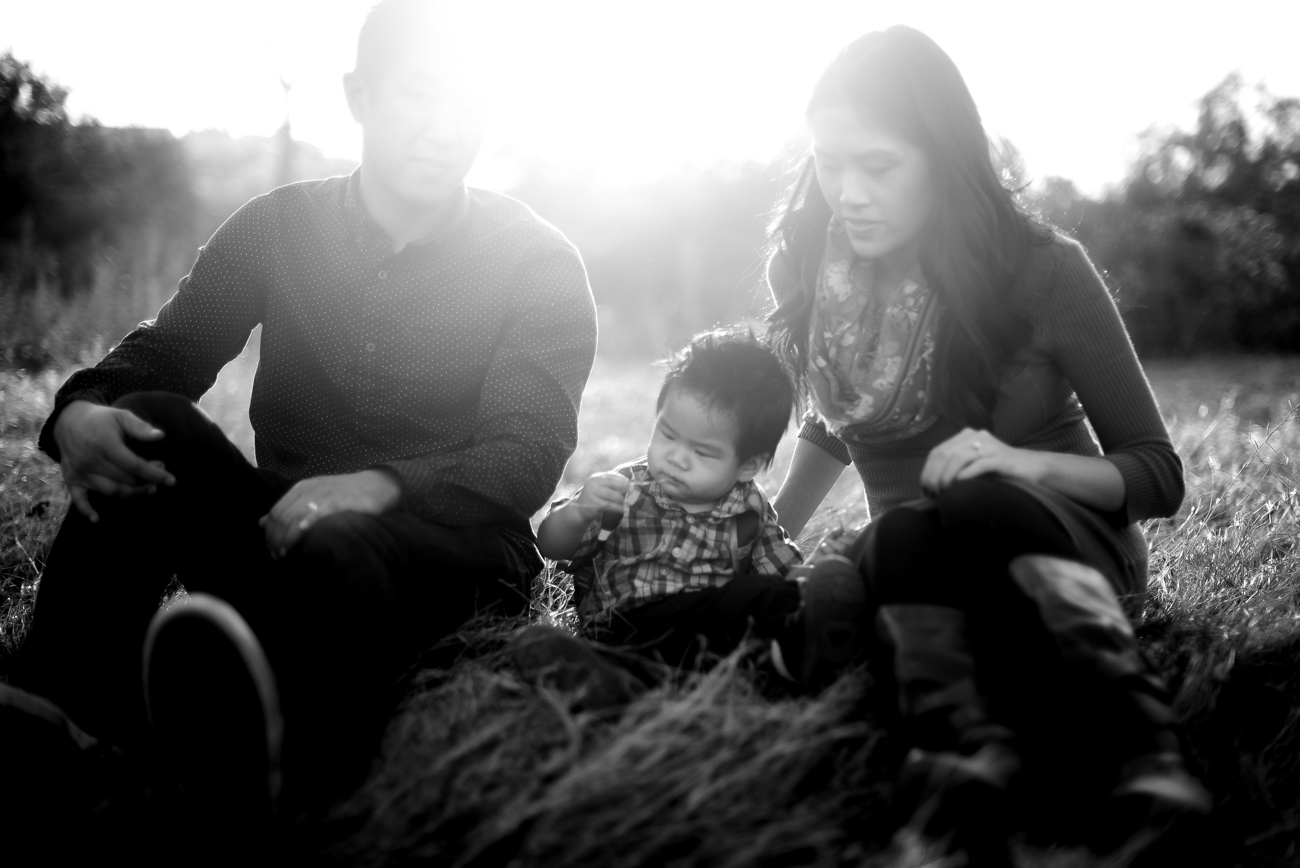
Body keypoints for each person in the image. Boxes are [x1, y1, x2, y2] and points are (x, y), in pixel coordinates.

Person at [13, 0, 597, 825]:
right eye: (419, 95)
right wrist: (78, 409)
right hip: (285, 535)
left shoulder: (538, 262)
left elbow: (526, 455)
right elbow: (170, 352)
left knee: (342, 545)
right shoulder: (277, 227)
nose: (444, 127)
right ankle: (61, 707)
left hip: (454, 562)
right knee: (148, 420)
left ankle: (276, 765)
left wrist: (378, 486)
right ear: (359, 96)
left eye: (468, 104)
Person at [763, 25, 1211, 865]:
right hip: (918, 573)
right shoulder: (820, 272)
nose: (848, 192)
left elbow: (1159, 474)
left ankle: (1146, 753)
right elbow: (839, 415)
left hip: (1049, 543)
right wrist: (770, 532)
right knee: (894, 531)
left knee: (971, 495)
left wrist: (1016, 463)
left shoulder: (1044, 269)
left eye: (879, 165)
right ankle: (962, 772)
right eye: (830, 163)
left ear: (941, 156)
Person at [515, 329, 866, 708]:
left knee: (767, 599)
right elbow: (551, 546)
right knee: (739, 602)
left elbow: (784, 574)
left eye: (702, 452)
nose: (677, 458)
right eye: (667, 434)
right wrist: (580, 510)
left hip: (707, 638)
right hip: (624, 626)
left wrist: (821, 571)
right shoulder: (627, 489)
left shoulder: (749, 510)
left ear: (747, 465)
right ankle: (605, 677)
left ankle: (801, 652)